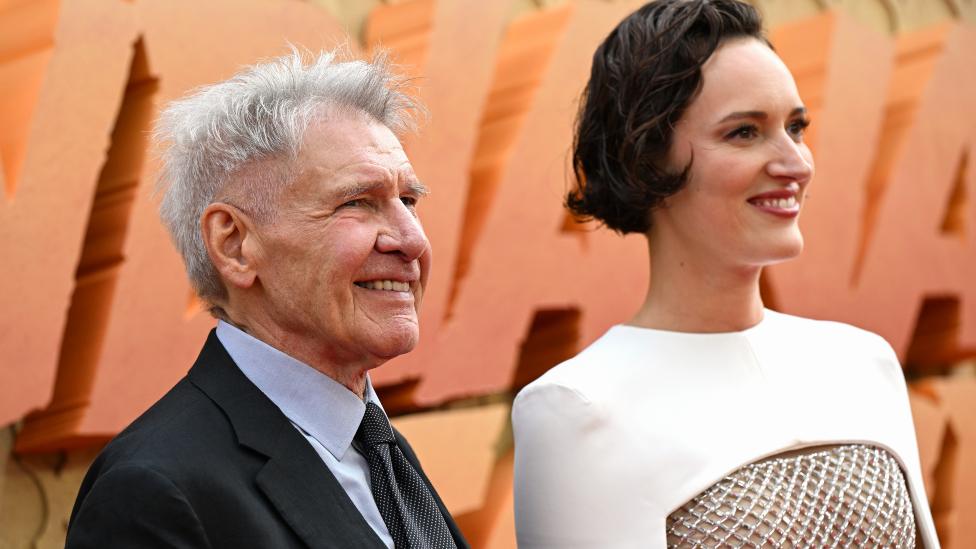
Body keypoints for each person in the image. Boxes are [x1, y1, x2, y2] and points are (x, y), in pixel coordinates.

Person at [511, 1, 939, 548]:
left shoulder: (866, 364)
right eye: (744, 132)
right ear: (646, 159)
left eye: (796, 127)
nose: (796, 163)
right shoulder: (577, 410)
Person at [66, 50, 469, 549]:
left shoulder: (377, 448)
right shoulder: (153, 493)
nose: (411, 240)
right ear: (234, 244)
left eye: (408, 201)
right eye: (357, 203)